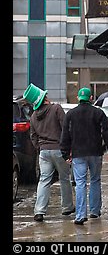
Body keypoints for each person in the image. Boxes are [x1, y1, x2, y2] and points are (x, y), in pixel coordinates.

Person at [60, 87, 108, 225]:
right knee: (96, 180)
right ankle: (94, 211)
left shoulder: (71, 114)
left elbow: (65, 135)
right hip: (95, 152)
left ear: (78, 98)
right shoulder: (98, 113)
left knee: (80, 183)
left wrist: (65, 153)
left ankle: (80, 215)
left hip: (78, 153)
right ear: (91, 98)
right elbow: (107, 133)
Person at [23, 83, 75, 222]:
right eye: (46, 95)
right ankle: (67, 207)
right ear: (44, 98)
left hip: (43, 152)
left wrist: (39, 148)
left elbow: (33, 136)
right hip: (59, 149)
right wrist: (68, 147)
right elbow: (66, 128)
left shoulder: (33, 116)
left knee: (44, 180)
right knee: (64, 178)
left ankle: (39, 211)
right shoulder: (56, 108)